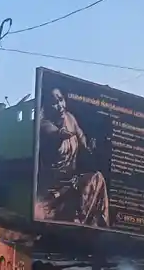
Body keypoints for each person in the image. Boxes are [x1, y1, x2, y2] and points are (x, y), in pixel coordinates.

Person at [35, 87, 110, 227]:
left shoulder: (70, 118)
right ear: (46, 106)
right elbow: (55, 134)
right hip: (52, 187)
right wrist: (63, 134)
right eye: (54, 103)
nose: (60, 106)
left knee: (97, 178)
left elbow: (82, 139)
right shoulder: (44, 125)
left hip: (71, 182)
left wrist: (90, 146)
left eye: (61, 99)